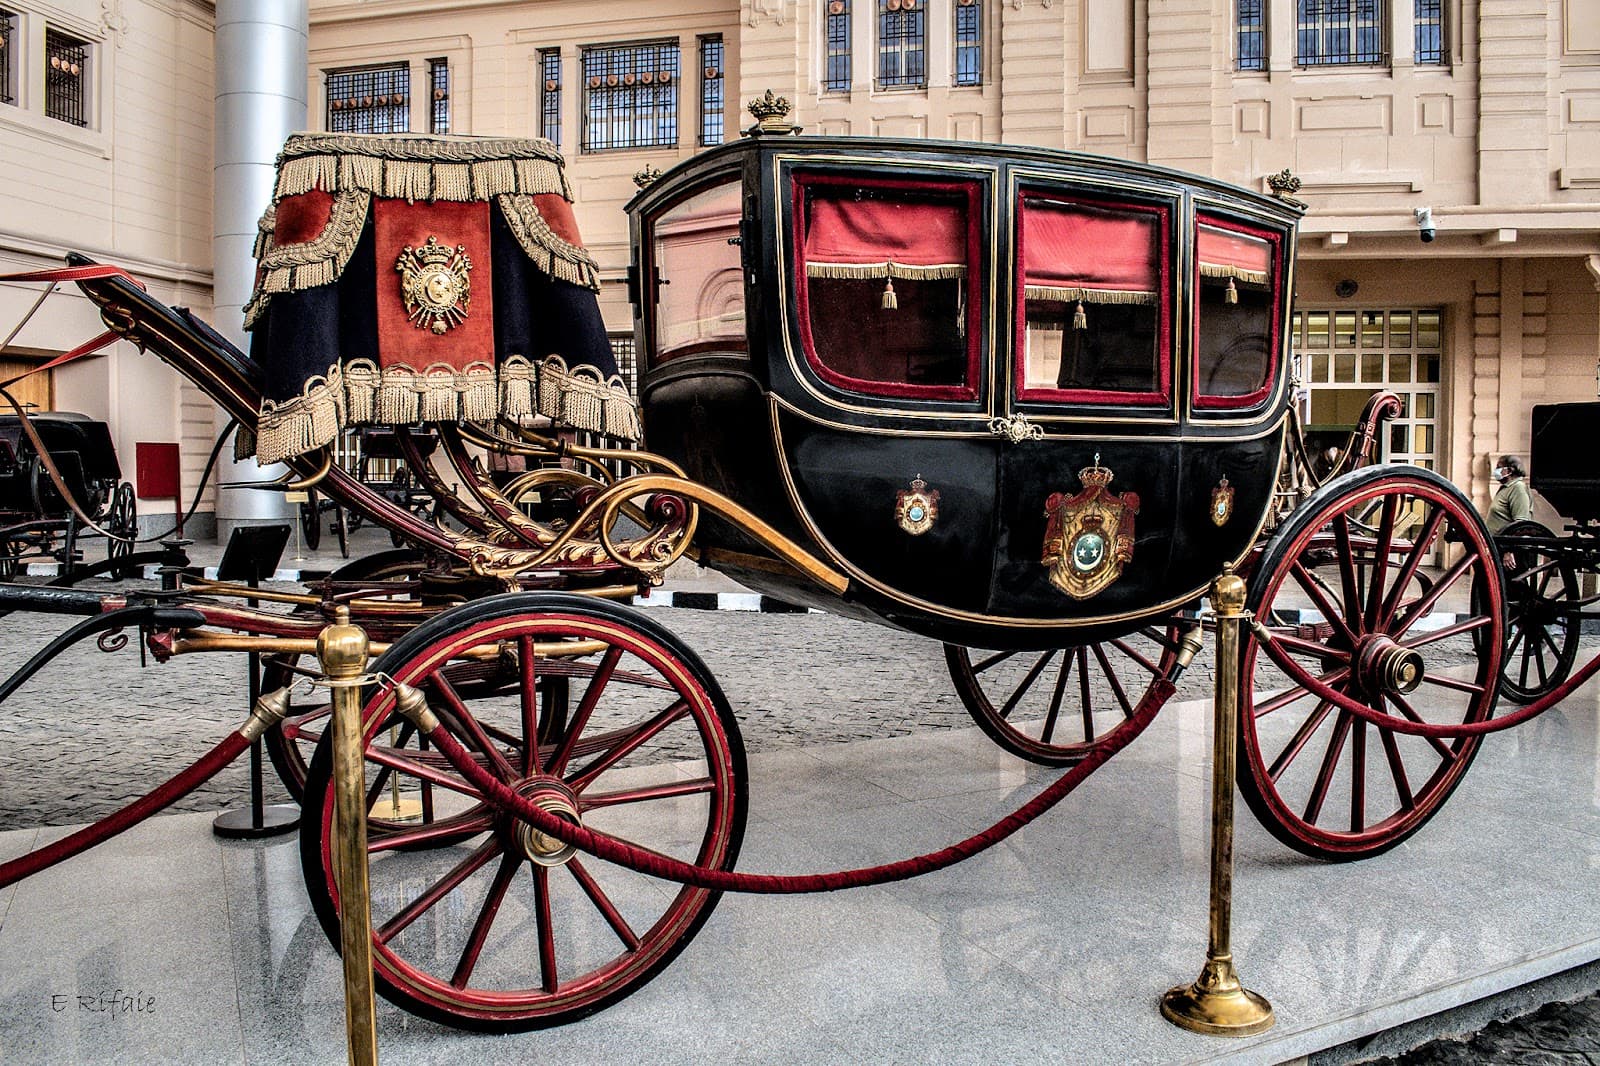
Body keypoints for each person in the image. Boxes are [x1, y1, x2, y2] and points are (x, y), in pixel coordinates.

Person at [1487, 454, 1532, 534]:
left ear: (1509, 471)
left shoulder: (1518, 488)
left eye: (1499, 467)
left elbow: (1520, 523)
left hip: (1503, 544)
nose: (1496, 471)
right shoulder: (1506, 488)